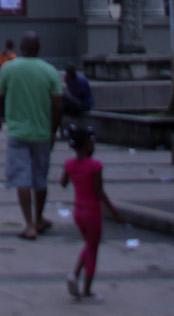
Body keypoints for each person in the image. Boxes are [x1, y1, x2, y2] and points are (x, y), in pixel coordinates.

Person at [0, 31, 63, 240]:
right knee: (40, 179)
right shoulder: (50, 71)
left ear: (21, 48)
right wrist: (53, 130)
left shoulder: (9, 68)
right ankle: (39, 218)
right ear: (39, 49)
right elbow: (58, 104)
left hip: (17, 132)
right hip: (42, 133)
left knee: (22, 179)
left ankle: (29, 224)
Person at [60, 125, 122, 300]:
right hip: (92, 212)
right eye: (92, 143)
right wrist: (114, 212)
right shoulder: (95, 166)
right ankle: (87, 289)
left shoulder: (69, 164)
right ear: (87, 146)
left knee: (89, 245)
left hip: (78, 211)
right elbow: (99, 192)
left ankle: (74, 275)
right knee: (93, 250)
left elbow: (63, 183)